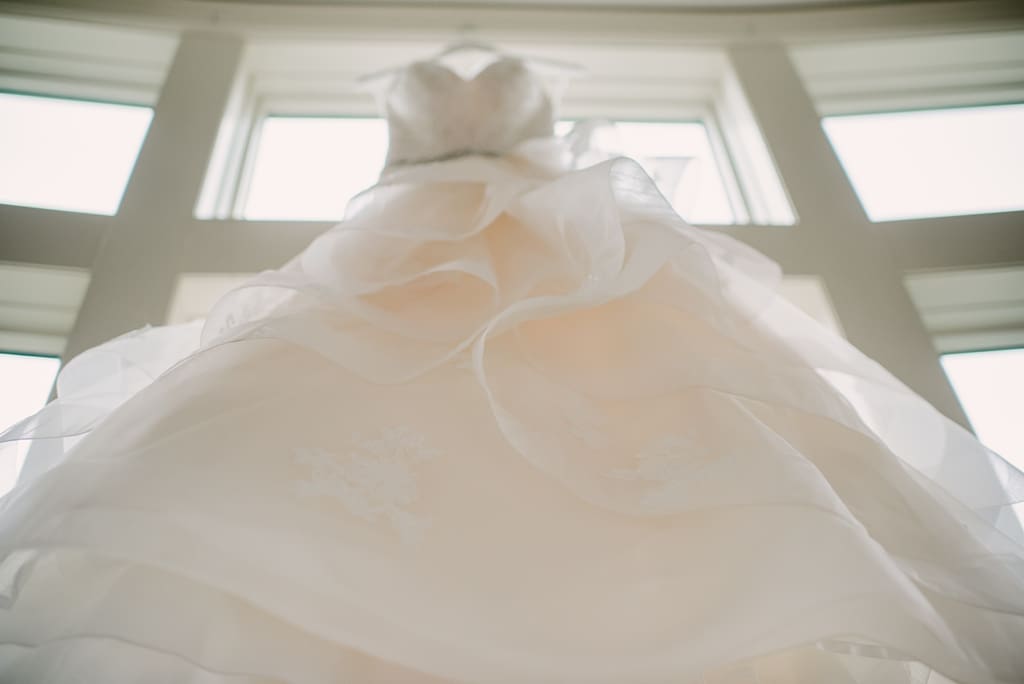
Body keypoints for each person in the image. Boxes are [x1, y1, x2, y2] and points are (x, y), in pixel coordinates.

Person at [1, 45, 1022, 684]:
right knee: (358, 383)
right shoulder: (401, 104)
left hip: (548, 227)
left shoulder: (538, 116)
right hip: (406, 238)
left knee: (621, 378)